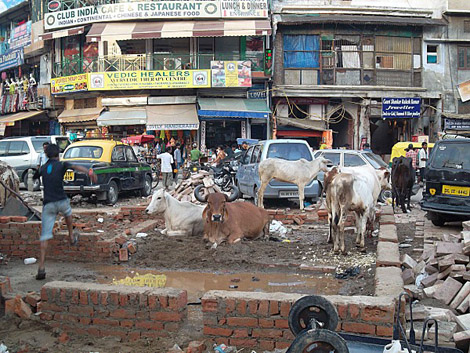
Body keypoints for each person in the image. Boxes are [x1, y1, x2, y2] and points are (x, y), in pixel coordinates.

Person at [34, 144, 97, 280]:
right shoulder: (62, 165)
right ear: (58, 154)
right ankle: (70, 235)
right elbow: (76, 167)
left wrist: (38, 170)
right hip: (61, 200)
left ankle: (41, 267)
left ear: (46, 155)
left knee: (45, 235)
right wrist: (89, 173)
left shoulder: (44, 168)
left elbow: (34, 175)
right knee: (68, 214)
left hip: (48, 204)